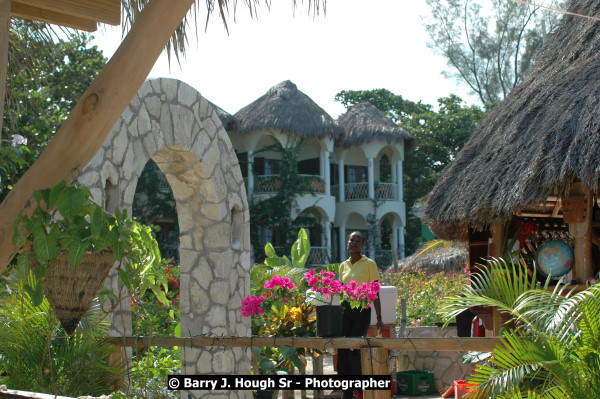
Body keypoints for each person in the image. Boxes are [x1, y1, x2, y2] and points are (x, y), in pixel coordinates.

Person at [337, 231, 383, 399]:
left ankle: (359, 390)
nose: (354, 243)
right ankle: (346, 391)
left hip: (362, 310)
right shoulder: (343, 265)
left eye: (357, 240)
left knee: (355, 350)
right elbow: (342, 291)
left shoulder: (369, 264)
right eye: (351, 240)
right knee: (342, 349)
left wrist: (379, 317)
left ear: (362, 245)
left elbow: (375, 291)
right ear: (348, 243)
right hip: (346, 310)